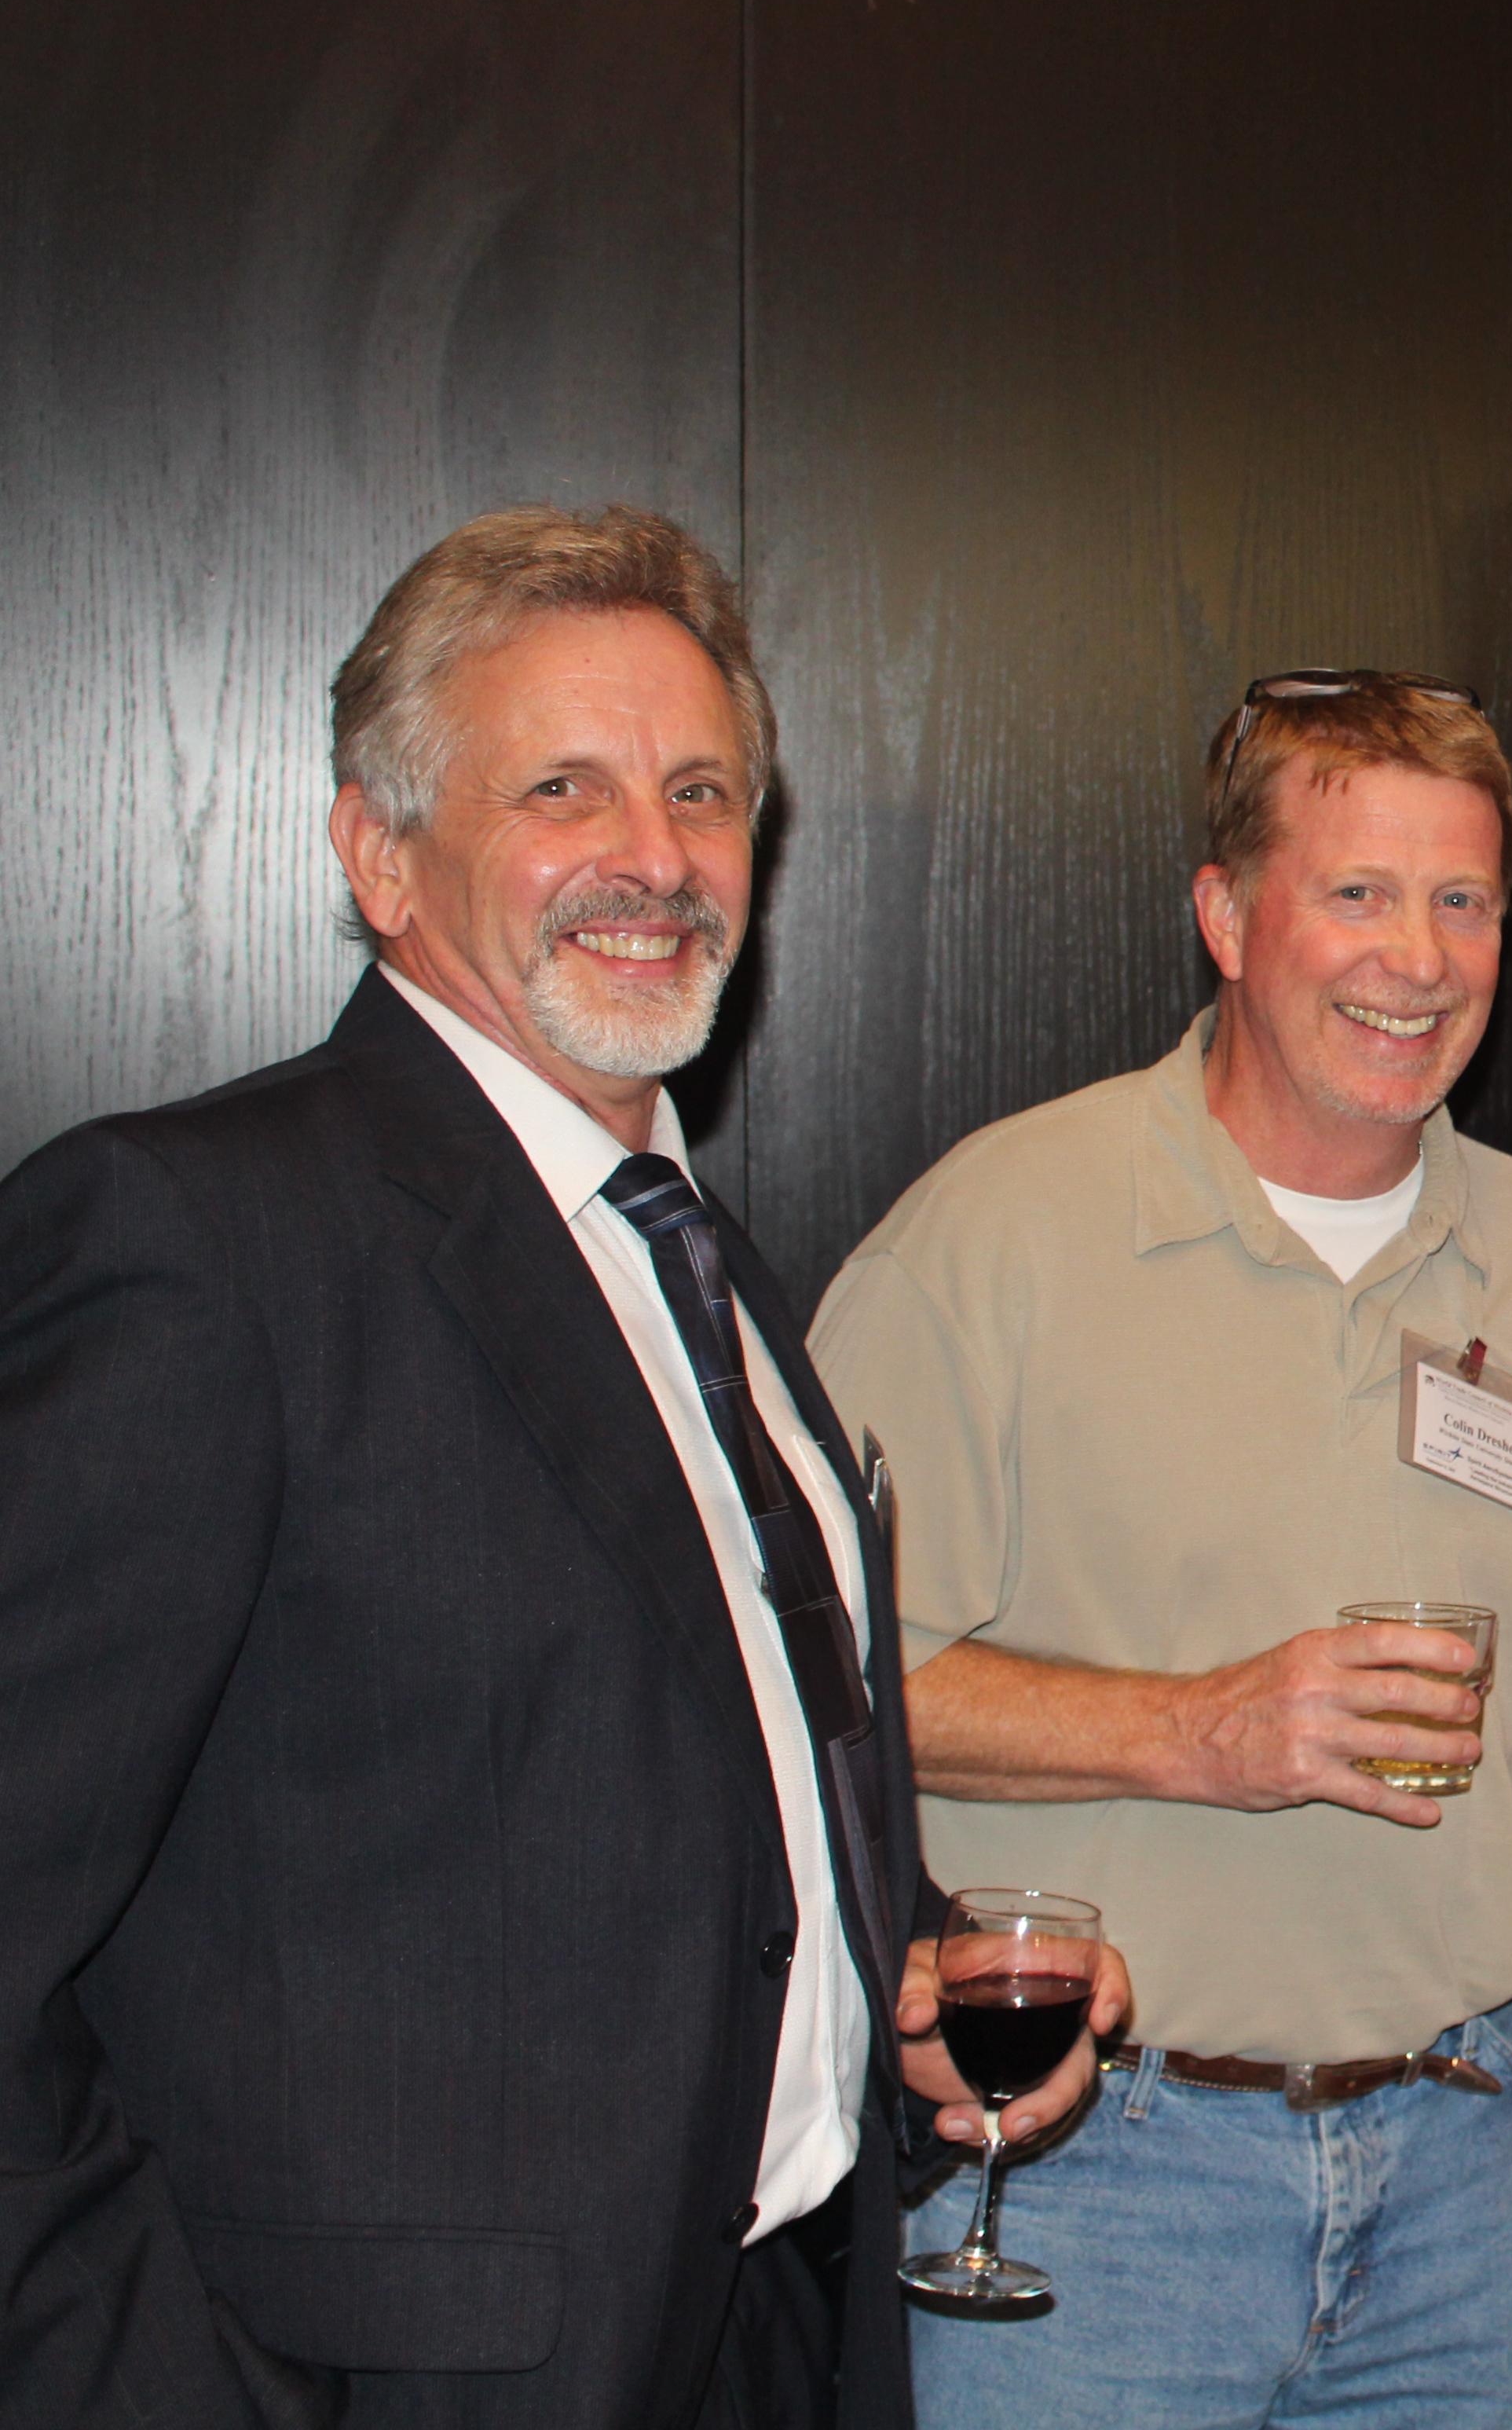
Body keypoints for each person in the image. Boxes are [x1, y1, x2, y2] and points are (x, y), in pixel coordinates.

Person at [0, 505, 1115, 2428]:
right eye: (560, 789)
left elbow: (685, 1789)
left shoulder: (704, 1264)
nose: (653, 860)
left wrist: (900, 2007)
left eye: (700, 794)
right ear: (380, 854)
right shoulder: (201, 1240)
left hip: (775, 2339)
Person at [810, 669, 1512, 2425]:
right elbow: (808, 1697)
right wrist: (1197, 1730)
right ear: (1228, 918)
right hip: (1095, 2173)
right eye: (1359, 893)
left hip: (1466, 2183)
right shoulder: (997, 1237)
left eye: (1464, 901)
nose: (1420, 959)